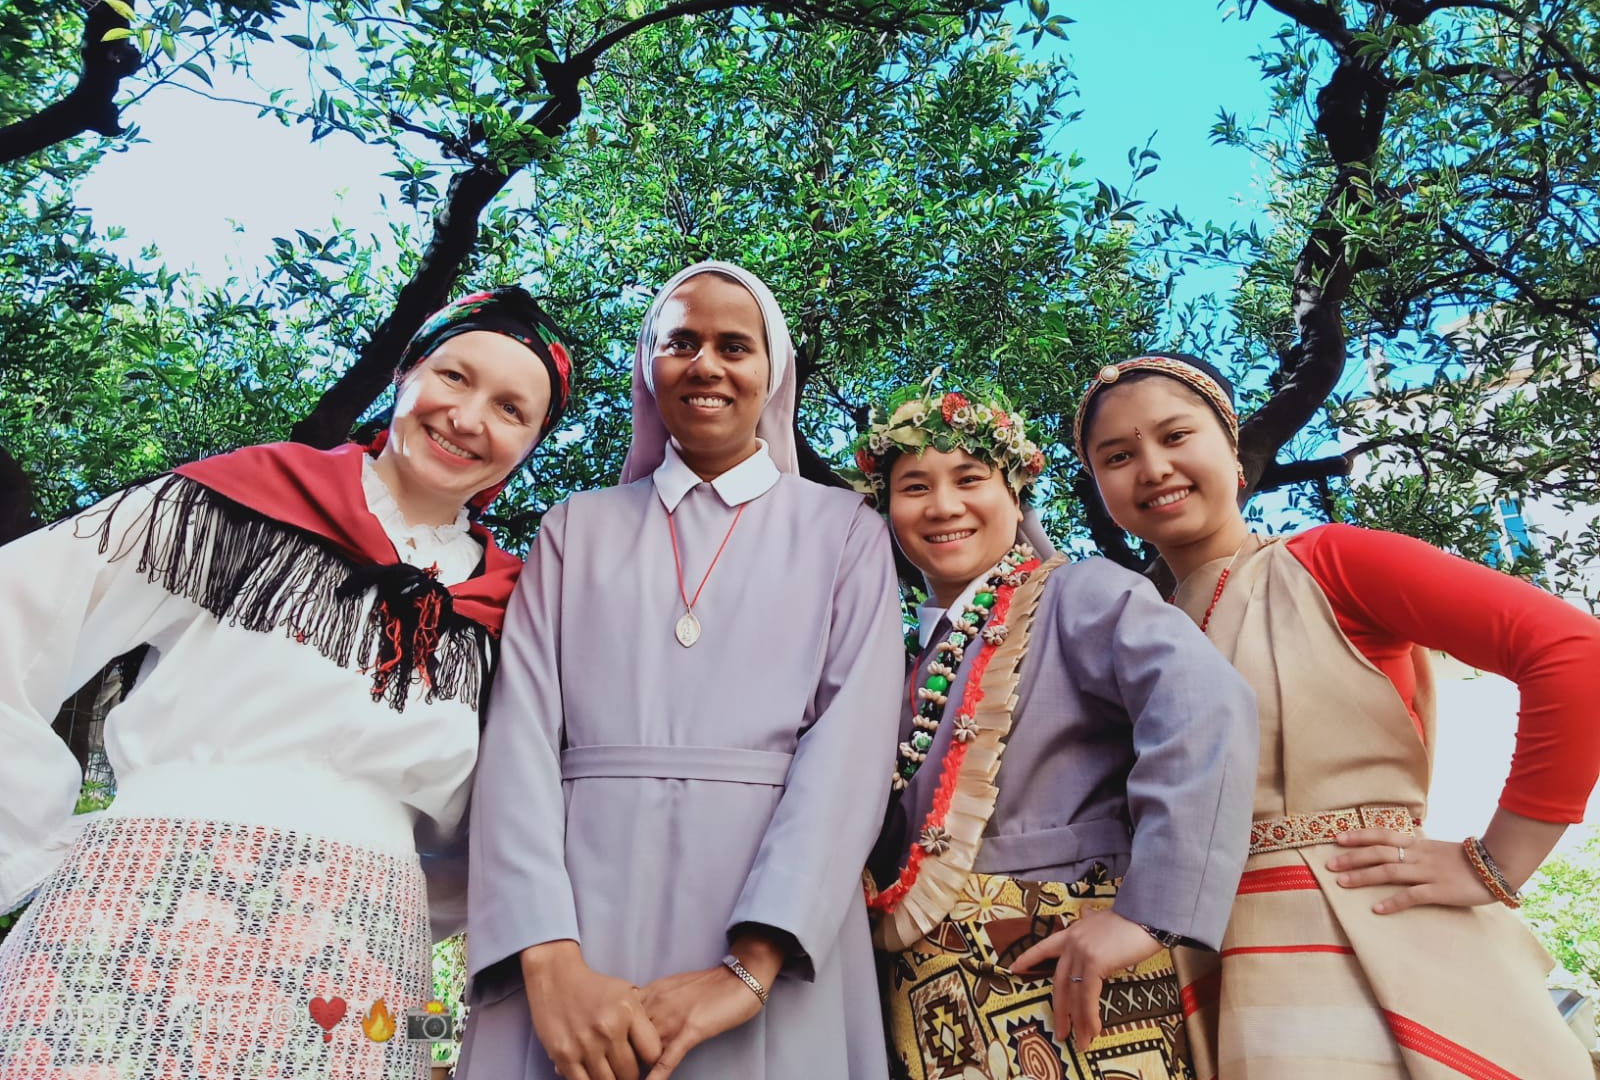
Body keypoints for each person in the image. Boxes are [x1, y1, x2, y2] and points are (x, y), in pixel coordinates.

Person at [0, 287, 574, 1080]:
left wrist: (401, 896)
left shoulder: (516, 612)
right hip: (138, 898)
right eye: (454, 376)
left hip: (363, 945)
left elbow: (513, 823)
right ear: (405, 375)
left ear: (532, 442)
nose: (470, 418)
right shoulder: (237, 502)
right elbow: (16, 617)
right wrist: (36, 847)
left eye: (512, 409)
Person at [1074, 351, 1600, 1079]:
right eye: (1118, 455)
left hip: (1375, 941)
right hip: (1214, 972)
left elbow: (1574, 652)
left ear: (1231, 443)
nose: (1153, 467)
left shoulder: (1331, 562)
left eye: (1175, 436)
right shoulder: (1135, 639)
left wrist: (1498, 862)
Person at [458, 261, 906, 1080]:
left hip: (766, 919)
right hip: (576, 918)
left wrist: (752, 965)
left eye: (736, 345)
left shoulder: (845, 529)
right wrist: (548, 961)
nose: (707, 364)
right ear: (647, 365)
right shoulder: (574, 527)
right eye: (680, 342)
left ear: (773, 373)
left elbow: (854, 749)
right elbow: (517, 741)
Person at [853, 376, 1257, 1080]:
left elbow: (1204, 703)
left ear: (1015, 494)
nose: (943, 505)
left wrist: (1146, 916)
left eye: (970, 478)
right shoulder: (902, 660)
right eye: (914, 487)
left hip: (1066, 977)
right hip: (930, 1003)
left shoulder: (1082, 590)